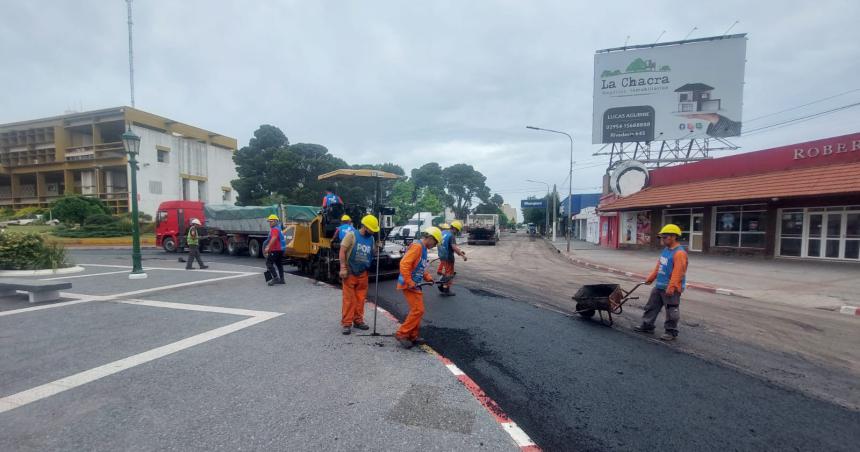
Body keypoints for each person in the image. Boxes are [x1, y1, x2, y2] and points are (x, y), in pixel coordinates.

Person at [634, 224, 688, 341]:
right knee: (651, 306)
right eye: (661, 237)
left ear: (673, 237)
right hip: (660, 285)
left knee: (671, 310)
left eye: (665, 237)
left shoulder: (679, 253)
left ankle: (671, 331)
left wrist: (672, 286)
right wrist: (651, 278)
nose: (662, 240)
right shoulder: (666, 250)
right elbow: (659, 266)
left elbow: (678, 272)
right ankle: (647, 325)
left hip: (671, 288)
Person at [395, 226, 442, 349]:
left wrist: (428, 278)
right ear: (430, 238)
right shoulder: (417, 247)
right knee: (418, 310)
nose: (435, 245)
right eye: (435, 242)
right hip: (409, 283)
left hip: (415, 283)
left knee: (417, 310)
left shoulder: (424, 249)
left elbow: (421, 267)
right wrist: (409, 281)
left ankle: (413, 335)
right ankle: (402, 334)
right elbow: (404, 264)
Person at [338, 214, 379, 335]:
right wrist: (343, 267)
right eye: (372, 229)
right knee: (349, 300)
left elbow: (372, 254)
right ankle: (347, 323)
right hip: (350, 272)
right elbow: (342, 251)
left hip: (363, 273)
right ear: (365, 227)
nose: (373, 232)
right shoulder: (351, 235)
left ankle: (358, 320)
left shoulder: (371, 239)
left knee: (361, 299)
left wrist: (377, 248)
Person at [437, 220, 467, 296]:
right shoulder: (451, 235)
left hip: (442, 255)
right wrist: (462, 255)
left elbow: (442, 244)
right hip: (448, 257)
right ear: (455, 229)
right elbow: (453, 247)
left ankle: (442, 286)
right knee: (449, 274)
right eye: (457, 230)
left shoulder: (443, 233)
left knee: (446, 272)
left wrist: (459, 252)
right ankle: (445, 289)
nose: (456, 232)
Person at [264, 214, 286, 286]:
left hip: (275, 249)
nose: (270, 223)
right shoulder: (279, 228)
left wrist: (268, 247)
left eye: (272, 221)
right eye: (269, 222)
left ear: (276, 221)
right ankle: (282, 279)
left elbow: (274, 238)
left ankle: (275, 278)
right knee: (279, 264)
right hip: (281, 250)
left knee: (269, 263)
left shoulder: (275, 229)